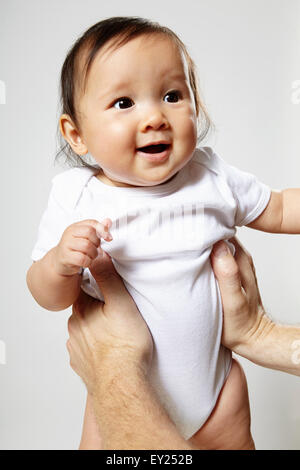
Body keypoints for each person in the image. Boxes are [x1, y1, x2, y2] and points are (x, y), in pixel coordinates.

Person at [26, 16, 300, 449]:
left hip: (218, 393)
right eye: (123, 103)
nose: (155, 116)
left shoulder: (210, 176)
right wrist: (60, 262)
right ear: (75, 134)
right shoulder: (76, 196)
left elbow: (282, 208)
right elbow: (46, 294)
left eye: (172, 95)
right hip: (116, 394)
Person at [67, 238, 300, 450]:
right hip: (209, 384)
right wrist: (259, 334)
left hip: (214, 394)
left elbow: (277, 210)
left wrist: (113, 371)